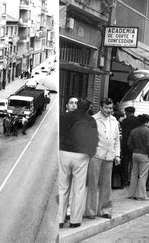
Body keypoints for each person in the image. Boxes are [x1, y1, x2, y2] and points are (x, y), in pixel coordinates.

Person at [58, 97, 98, 229]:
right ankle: (75, 220)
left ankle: (60, 218)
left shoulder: (64, 117)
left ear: (77, 106)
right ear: (87, 108)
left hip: (64, 152)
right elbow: (94, 139)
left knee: (63, 187)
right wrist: (90, 154)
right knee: (78, 189)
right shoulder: (90, 120)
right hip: (81, 155)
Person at [85, 98, 120, 220]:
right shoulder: (93, 120)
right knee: (93, 184)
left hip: (109, 156)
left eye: (111, 108)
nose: (109, 110)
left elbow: (116, 140)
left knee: (106, 185)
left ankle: (105, 210)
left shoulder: (114, 121)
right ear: (101, 107)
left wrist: (117, 155)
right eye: (107, 108)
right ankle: (90, 211)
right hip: (96, 156)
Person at [127, 114, 149, 200]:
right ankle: (141, 195)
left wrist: (133, 150)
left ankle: (132, 193)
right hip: (144, 154)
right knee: (143, 175)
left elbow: (129, 143)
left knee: (134, 174)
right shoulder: (148, 131)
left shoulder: (133, 131)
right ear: (147, 122)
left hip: (135, 153)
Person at [120, 106, 140, 187]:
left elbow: (124, 133)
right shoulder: (137, 121)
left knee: (125, 162)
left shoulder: (125, 121)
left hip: (125, 144)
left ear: (127, 113)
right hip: (135, 144)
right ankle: (132, 179)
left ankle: (124, 179)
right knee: (134, 163)